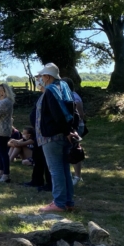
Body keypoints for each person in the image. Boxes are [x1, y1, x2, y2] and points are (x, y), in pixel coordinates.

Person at [34, 63, 79, 212]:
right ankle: (68, 202)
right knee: (65, 169)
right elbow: (73, 112)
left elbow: (56, 114)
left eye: (41, 76)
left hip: (52, 136)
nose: (40, 79)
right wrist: (71, 130)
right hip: (65, 135)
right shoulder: (64, 88)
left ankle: (59, 203)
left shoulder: (50, 91)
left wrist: (66, 131)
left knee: (56, 170)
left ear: (47, 77)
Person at [62, 77, 86, 186]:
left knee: (74, 150)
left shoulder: (74, 97)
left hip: (76, 127)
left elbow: (80, 115)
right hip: (71, 127)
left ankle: (77, 176)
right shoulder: (68, 96)